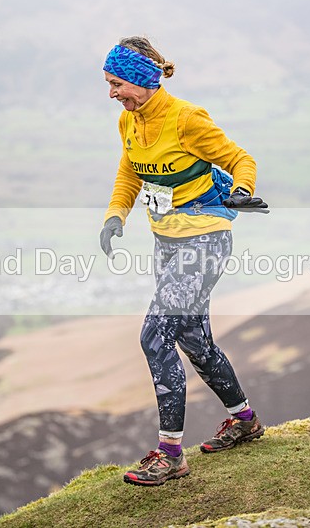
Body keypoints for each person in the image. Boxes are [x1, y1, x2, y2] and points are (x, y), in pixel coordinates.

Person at [99, 36, 269, 486]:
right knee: (193, 340)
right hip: (167, 244)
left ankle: (171, 453)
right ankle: (245, 421)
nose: (112, 93)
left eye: (118, 83)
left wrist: (242, 189)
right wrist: (115, 216)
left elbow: (239, 158)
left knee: (155, 336)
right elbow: (128, 172)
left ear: (140, 80)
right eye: (109, 83)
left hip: (205, 242)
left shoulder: (186, 118)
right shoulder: (129, 122)